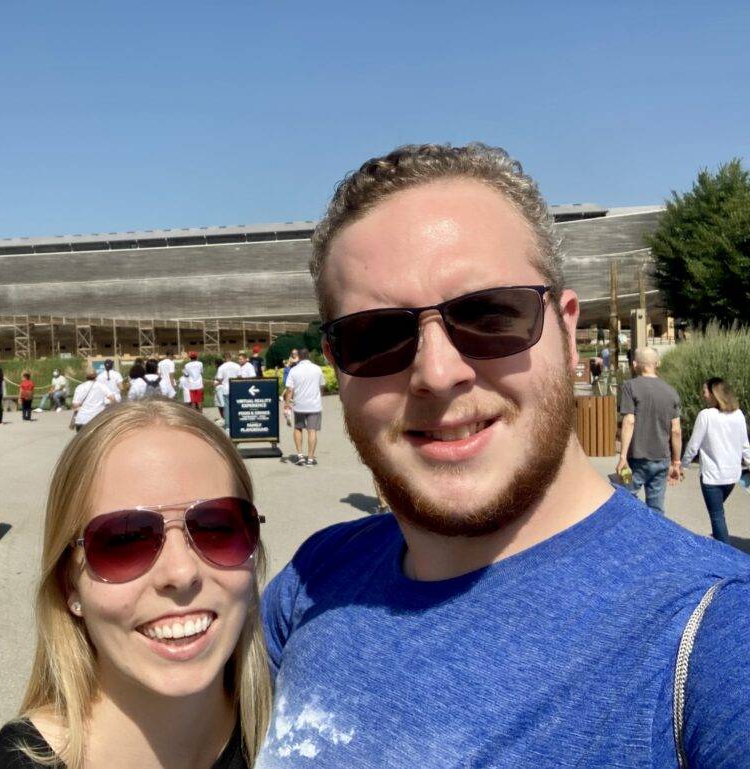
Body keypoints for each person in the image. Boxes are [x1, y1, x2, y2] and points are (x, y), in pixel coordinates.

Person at [259, 143, 750, 767]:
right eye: (377, 335)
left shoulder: (713, 634)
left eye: (491, 314)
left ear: (568, 332)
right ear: (339, 366)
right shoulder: (314, 578)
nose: (437, 374)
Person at [0, 399, 271, 769]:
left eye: (218, 528)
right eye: (124, 540)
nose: (181, 574)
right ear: (69, 583)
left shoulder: (309, 740)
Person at [680, 378, 750, 543]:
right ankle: (721, 549)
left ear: (714, 394)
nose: (702, 395)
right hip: (732, 476)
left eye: (705, 391)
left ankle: (725, 555)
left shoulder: (705, 415)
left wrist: (682, 465)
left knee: (717, 515)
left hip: (712, 476)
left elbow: (693, 446)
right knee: (718, 513)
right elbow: (745, 445)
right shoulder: (738, 414)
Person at [617, 347, 682, 515]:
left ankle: (631, 536)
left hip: (637, 459)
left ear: (634, 364)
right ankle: (655, 537)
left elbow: (629, 420)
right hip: (662, 459)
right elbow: (676, 430)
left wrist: (622, 456)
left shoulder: (630, 386)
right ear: (657, 364)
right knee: (656, 508)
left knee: (624, 499)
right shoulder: (671, 391)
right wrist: (676, 462)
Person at [283, 349, 325, 467]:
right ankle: (310, 459)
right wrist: (319, 396)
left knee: (298, 428)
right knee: (312, 431)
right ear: (309, 356)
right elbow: (322, 386)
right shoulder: (317, 369)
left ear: (299, 357)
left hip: (299, 405)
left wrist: (287, 405)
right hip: (314, 405)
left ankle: (300, 455)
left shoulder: (294, 370)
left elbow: (290, 390)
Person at [214, 352, 241, 430]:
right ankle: (237, 423)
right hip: (235, 389)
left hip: (226, 389)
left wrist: (217, 381)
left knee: (227, 408)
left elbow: (219, 379)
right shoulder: (237, 366)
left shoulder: (221, 367)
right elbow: (239, 377)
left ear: (224, 358)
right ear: (231, 357)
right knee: (236, 407)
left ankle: (228, 425)